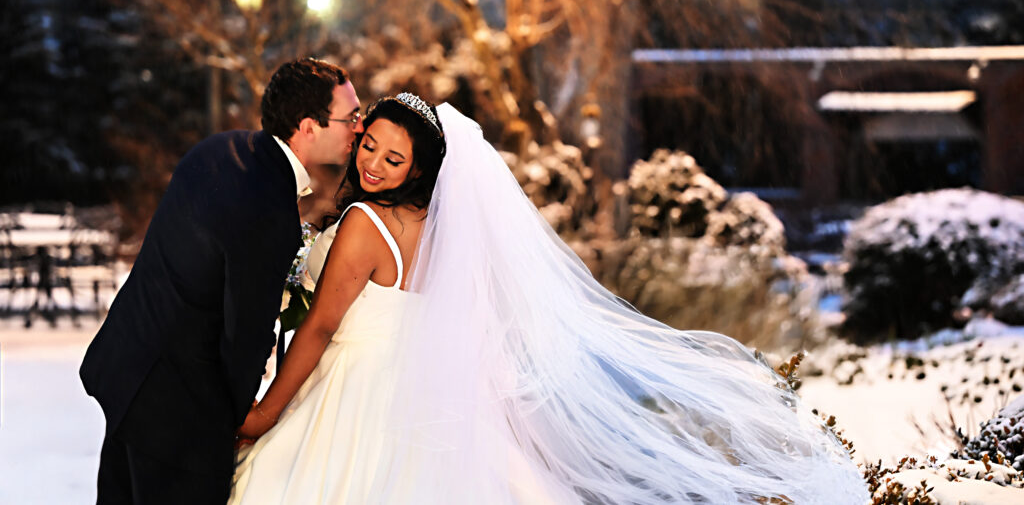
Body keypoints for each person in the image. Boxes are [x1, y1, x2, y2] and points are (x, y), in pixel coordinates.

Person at [230, 95, 868, 504]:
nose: (372, 163)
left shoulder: (366, 224)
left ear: (417, 170)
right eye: (369, 145)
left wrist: (262, 415)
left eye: (393, 159)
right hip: (423, 400)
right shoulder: (440, 231)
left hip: (354, 399)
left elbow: (317, 331)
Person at [80, 58, 363, 504]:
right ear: (309, 126)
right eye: (351, 117)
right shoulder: (269, 206)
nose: (359, 129)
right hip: (179, 419)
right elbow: (245, 332)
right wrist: (243, 416)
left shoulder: (223, 149)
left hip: (129, 376)